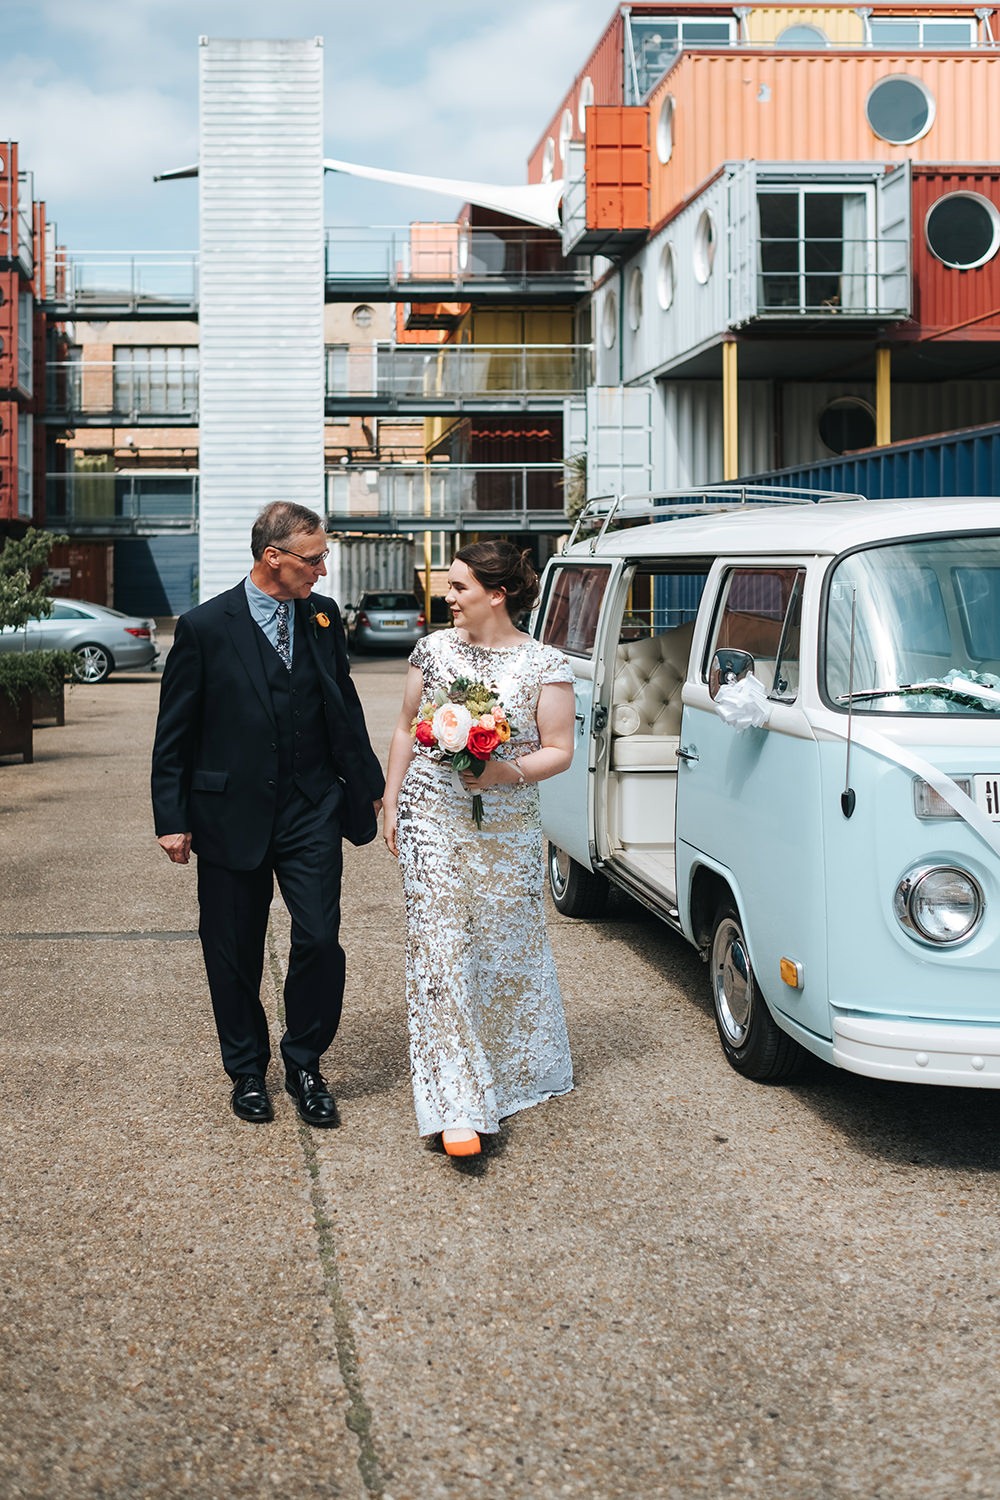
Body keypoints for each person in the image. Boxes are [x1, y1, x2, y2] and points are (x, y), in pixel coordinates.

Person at [151, 501, 384, 1127]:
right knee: (232, 952)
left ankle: (305, 1062)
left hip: (312, 808)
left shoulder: (323, 617)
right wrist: (171, 817)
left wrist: (369, 788)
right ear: (271, 557)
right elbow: (175, 732)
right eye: (314, 558)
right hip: (230, 815)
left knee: (318, 940)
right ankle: (247, 1070)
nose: (323, 569)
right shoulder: (204, 627)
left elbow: (343, 705)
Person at [383, 540, 576, 1158]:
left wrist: (502, 775)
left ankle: (509, 1066)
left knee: (501, 944)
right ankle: (456, 1103)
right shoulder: (433, 650)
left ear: (497, 595)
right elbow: (405, 726)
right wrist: (390, 801)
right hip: (431, 816)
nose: (448, 596)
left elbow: (559, 749)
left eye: (459, 587)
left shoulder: (546, 665)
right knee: (440, 947)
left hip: (507, 825)